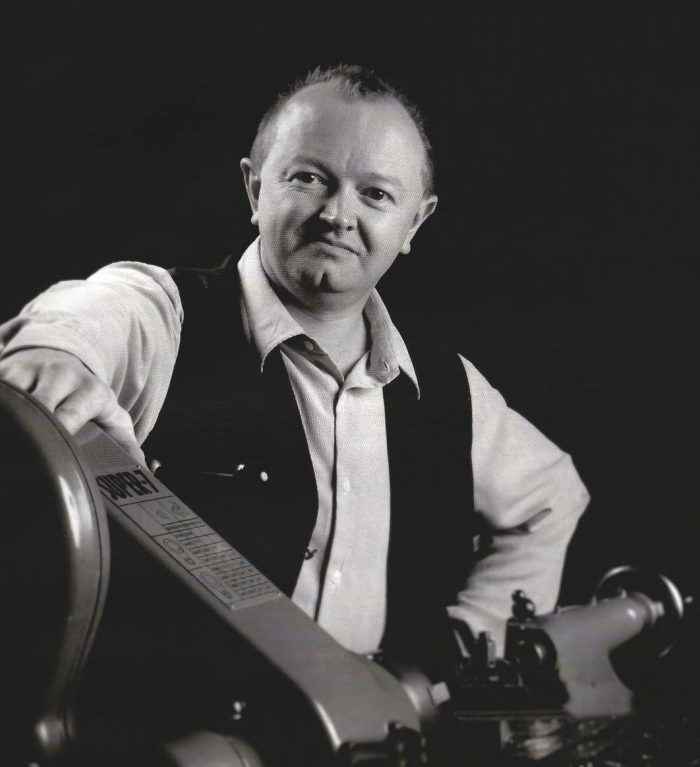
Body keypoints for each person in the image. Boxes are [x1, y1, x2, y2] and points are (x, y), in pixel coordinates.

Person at [0, 65, 589, 674]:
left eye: (376, 194)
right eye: (309, 178)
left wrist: (458, 660)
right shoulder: (163, 314)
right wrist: (51, 355)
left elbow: (551, 497)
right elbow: (77, 319)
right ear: (255, 190)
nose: (338, 215)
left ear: (414, 223)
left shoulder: (448, 389)